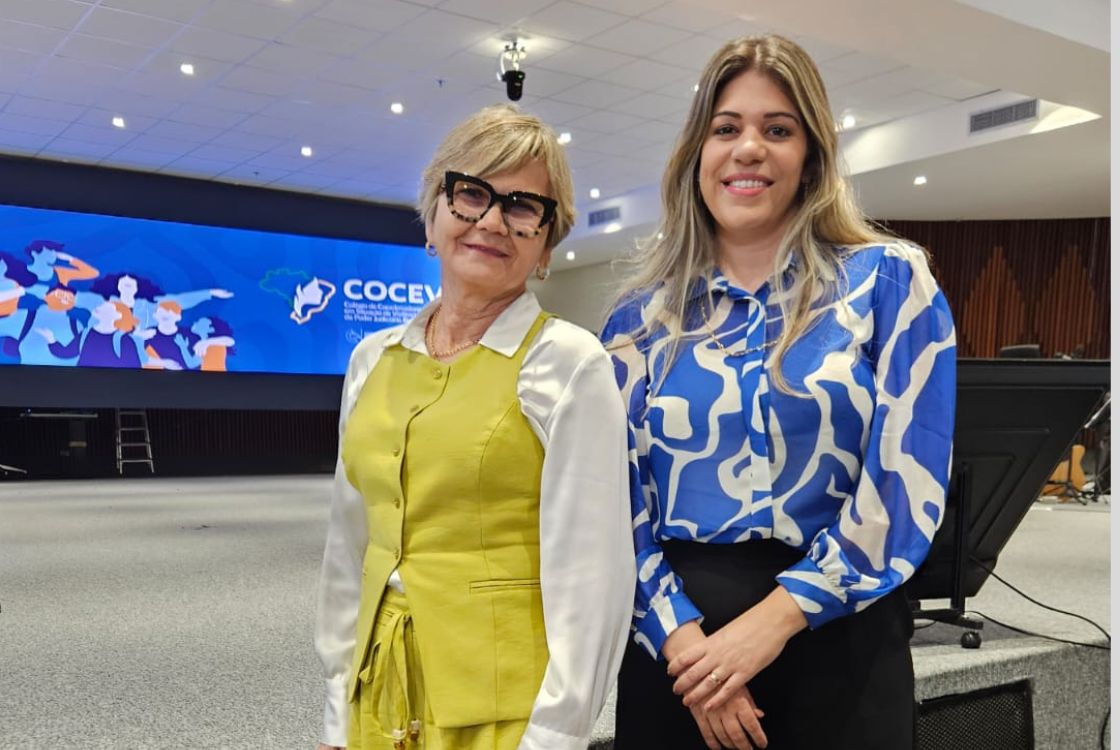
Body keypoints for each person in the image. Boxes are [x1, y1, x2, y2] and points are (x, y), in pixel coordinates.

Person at [600, 34, 956, 750]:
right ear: (696, 153)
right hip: (681, 658)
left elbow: (905, 483)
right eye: (726, 128)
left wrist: (772, 623)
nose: (749, 148)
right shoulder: (636, 323)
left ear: (812, 155)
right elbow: (614, 507)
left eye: (778, 129)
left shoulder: (891, 283)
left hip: (841, 637)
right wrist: (686, 648)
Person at [314, 104, 635, 750]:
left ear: (546, 244)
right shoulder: (372, 360)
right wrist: (336, 709)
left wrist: (556, 737)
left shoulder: (569, 365)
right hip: (380, 690)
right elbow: (351, 545)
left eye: (522, 206)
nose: (492, 219)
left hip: (504, 716)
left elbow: (592, 579)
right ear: (434, 214)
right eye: (472, 194)